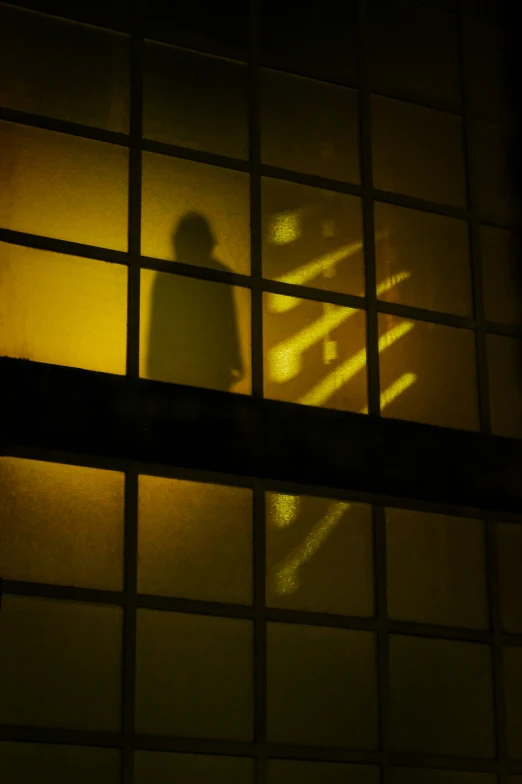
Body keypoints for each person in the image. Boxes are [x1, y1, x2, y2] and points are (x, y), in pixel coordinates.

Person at [147, 212, 243, 392]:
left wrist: (153, 367)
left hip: (174, 369)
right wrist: (234, 358)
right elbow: (227, 321)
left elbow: (158, 326)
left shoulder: (165, 277)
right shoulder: (219, 274)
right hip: (211, 370)